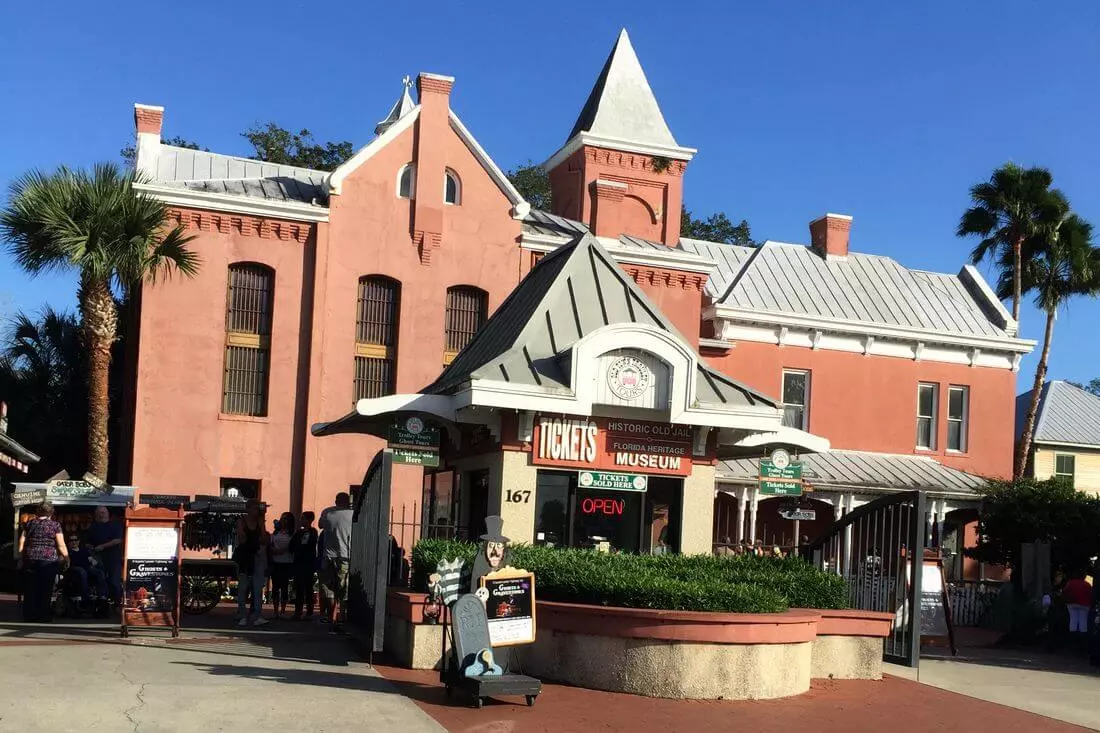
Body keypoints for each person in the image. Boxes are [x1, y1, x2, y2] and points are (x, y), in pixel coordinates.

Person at [18, 501, 68, 622]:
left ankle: (29, 615)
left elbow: (22, 541)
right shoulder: (55, 525)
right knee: (45, 588)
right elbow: (61, 544)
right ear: (51, 512)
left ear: (38, 512)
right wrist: (66, 557)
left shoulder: (29, 523)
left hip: (30, 558)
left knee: (30, 588)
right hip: (48, 560)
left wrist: (21, 557)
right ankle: (43, 615)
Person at [319, 492, 353, 630]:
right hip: (345, 556)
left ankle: (330, 617)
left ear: (336, 500)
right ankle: (342, 617)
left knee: (329, 589)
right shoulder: (353, 514)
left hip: (329, 557)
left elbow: (320, 525)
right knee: (344, 589)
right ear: (348, 502)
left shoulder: (327, 512)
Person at [234, 499, 270, 627]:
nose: (256, 511)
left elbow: (264, 540)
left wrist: (262, 526)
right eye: (254, 508)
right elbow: (242, 540)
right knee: (243, 587)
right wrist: (244, 532)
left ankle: (257, 615)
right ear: (248, 508)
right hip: (244, 557)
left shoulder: (259, 521)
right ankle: (242, 615)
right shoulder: (241, 521)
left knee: (257, 588)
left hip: (257, 556)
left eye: (257, 509)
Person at [86, 506, 124, 604]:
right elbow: (88, 541)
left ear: (107, 513)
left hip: (113, 557)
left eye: (103, 512)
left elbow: (118, 540)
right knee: (100, 579)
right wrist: (89, 546)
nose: (101, 514)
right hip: (97, 558)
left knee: (114, 581)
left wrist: (103, 546)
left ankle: (117, 603)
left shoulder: (115, 525)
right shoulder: (93, 526)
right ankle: (102, 602)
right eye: (99, 513)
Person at [291, 511, 318, 620]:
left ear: (310, 520)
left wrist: (300, 547)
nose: (302, 520)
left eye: (304, 518)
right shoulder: (298, 533)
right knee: (299, 588)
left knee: (308, 588)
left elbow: (310, 544)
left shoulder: (313, 532)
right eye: (301, 518)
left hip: (308, 563)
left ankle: (309, 612)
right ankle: (298, 611)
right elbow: (292, 545)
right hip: (298, 563)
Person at [65, 535, 107, 602]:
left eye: (75, 540)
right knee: (82, 572)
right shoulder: (67, 552)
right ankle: (86, 595)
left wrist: (93, 561)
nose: (74, 542)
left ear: (78, 541)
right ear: (68, 542)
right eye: (71, 540)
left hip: (87, 567)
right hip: (75, 569)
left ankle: (102, 595)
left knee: (99, 572)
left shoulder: (84, 550)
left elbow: (90, 559)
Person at [269, 512, 295, 619]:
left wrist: (283, 550)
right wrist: (273, 550)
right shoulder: (275, 533)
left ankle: (283, 610)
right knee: (275, 587)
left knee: (284, 587)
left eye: (286, 519)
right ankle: (275, 611)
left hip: (287, 562)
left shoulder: (292, 534)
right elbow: (270, 545)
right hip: (276, 562)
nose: (283, 521)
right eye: (282, 518)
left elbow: (293, 547)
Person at [1063, 570, 1092, 636]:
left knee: (1073, 620)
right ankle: (1083, 639)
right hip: (1084, 604)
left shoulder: (1070, 583)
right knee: (1083, 621)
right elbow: (1090, 594)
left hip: (1072, 603)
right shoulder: (1087, 584)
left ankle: (1073, 638)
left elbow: (1065, 592)